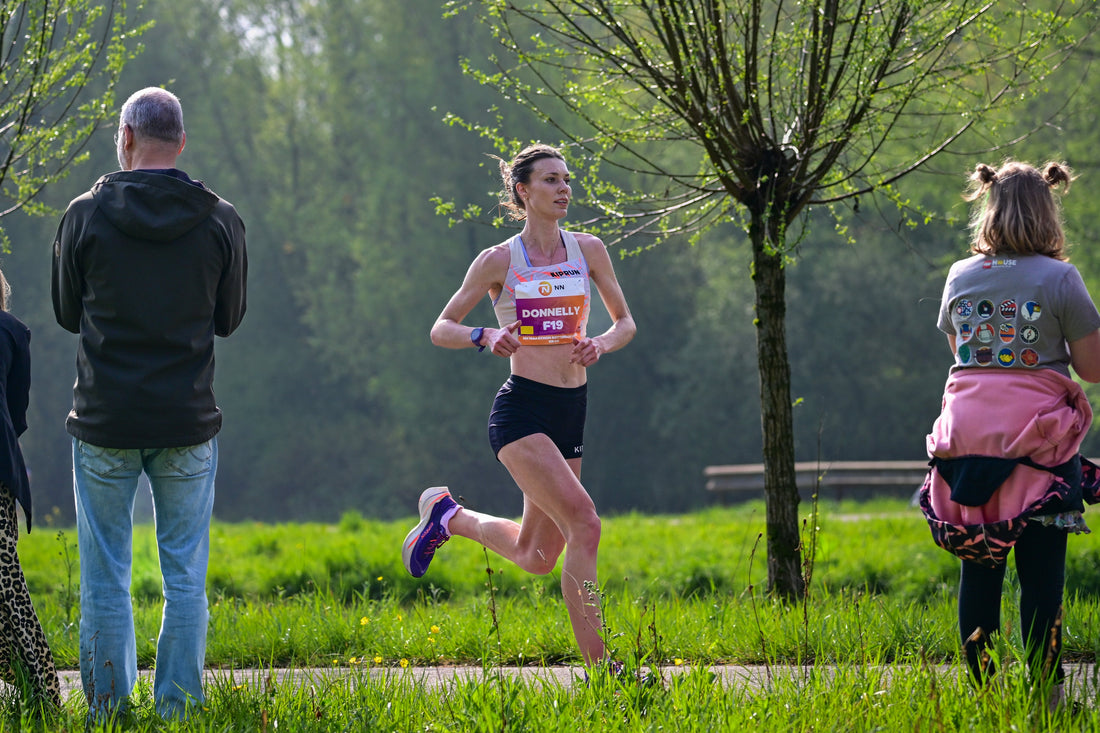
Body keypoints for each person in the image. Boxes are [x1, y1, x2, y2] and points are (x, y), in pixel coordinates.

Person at [51, 87, 247, 719]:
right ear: (181, 143)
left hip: (104, 417)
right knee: (185, 573)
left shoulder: (84, 215)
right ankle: (179, 710)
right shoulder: (220, 219)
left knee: (105, 572)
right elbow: (229, 319)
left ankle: (108, 711)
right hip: (187, 420)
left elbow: (62, 311)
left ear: (125, 137)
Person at [402, 143, 636, 667]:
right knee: (586, 524)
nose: (564, 189)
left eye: (567, 179)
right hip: (522, 413)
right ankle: (605, 668)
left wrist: (600, 343)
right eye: (551, 180)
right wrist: (484, 336)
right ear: (523, 191)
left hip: (571, 406)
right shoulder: (499, 260)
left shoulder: (589, 249)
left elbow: (626, 323)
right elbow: (442, 328)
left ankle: (448, 517)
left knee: (537, 556)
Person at [919, 160, 1100, 708]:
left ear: (988, 204)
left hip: (968, 444)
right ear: (1050, 207)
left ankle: (983, 699)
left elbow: (963, 355)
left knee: (980, 569)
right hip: (1037, 447)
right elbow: (1091, 369)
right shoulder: (1059, 278)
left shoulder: (959, 275)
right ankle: (1045, 698)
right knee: (1041, 578)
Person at [0, 268, 61, 709]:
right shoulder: (11, 331)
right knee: (7, 583)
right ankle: (41, 689)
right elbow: (17, 414)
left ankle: (39, 689)